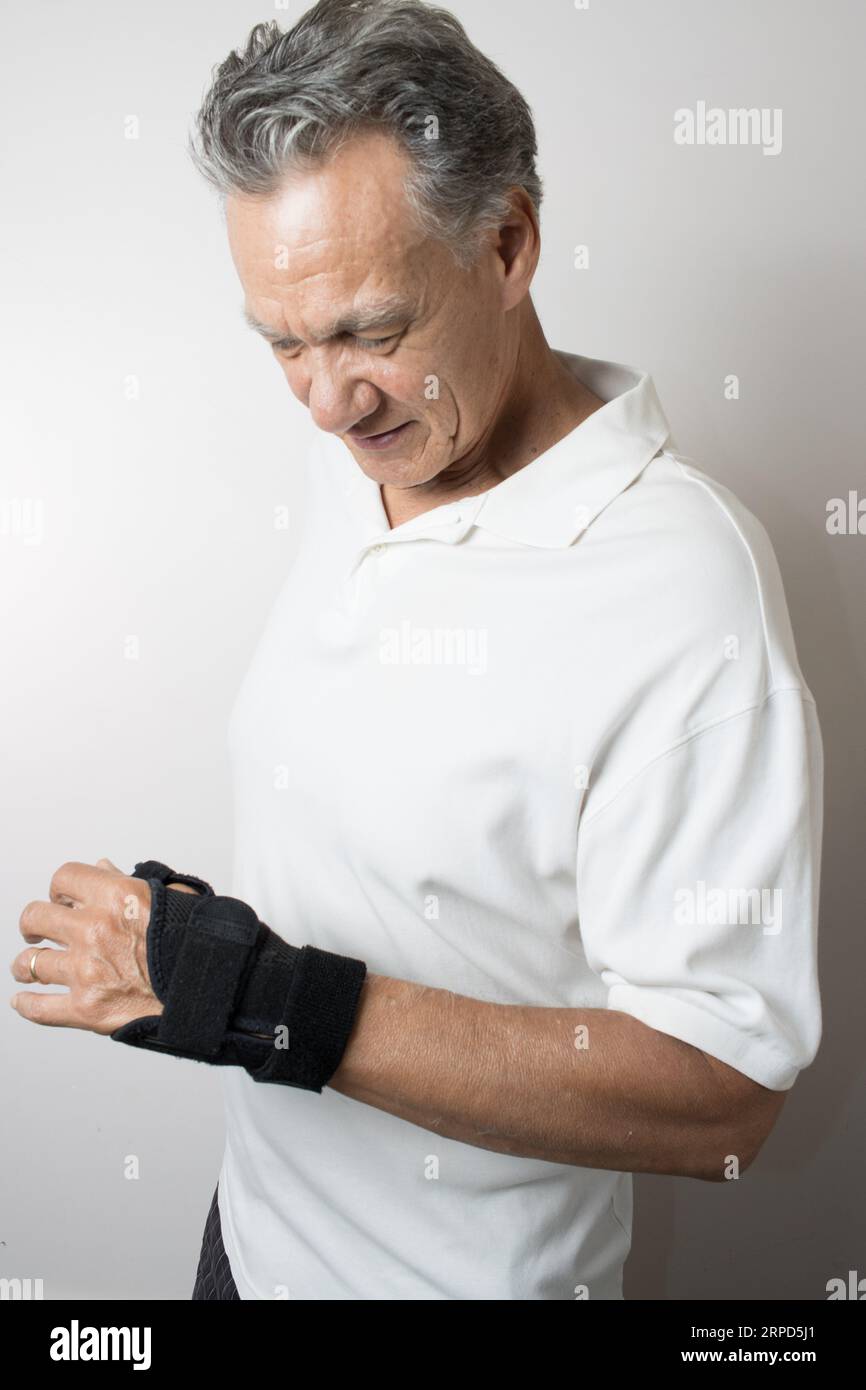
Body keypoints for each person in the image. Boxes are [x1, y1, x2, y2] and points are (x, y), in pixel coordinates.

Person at [11, 0, 823, 1301]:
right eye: (282, 342)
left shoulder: (678, 585)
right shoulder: (378, 449)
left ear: (506, 243)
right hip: (246, 1248)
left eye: (368, 332)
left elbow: (722, 1098)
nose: (326, 402)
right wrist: (201, 955)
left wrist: (271, 1000)